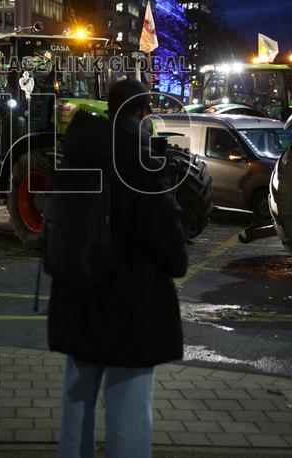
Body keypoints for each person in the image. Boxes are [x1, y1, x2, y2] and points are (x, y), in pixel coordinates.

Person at [48, 78, 189, 458]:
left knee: (78, 396)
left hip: (78, 291)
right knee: (129, 403)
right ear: (143, 112)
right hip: (130, 296)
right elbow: (163, 226)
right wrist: (178, 262)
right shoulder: (137, 155)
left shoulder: (78, 147)